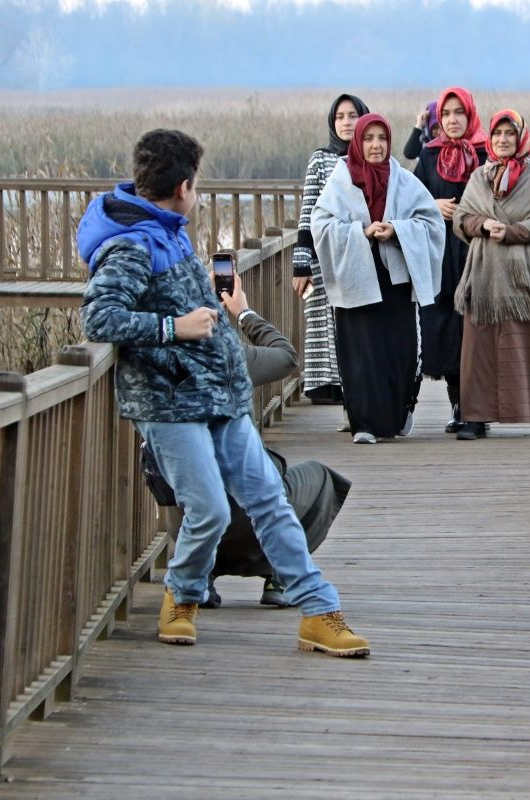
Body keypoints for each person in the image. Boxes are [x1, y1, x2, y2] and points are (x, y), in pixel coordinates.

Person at [79, 128, 369, 656]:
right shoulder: (132, 244)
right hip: (170, 403)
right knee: (210, 510)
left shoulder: (168, 230)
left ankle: (319, 611)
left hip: (220, 395)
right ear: (184, 186)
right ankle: (183, 595)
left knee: (270, 501)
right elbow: (99, 317)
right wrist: (175, 327)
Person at [141, 273, 353, 610]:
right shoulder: (230, 357)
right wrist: (242, 312)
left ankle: (200, 577)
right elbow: (287, 357)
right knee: (321, 478)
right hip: (250, 524)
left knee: (190, 487)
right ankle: (281, 577)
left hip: (189, 527)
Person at [311, 113, 444, 444]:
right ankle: (365, 424)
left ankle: (397, 415)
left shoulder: (404, 181)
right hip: (356, 278)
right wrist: (361, 232)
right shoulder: (340, 182)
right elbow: (321, 225)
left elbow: (431, 223)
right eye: (368, 138)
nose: (376, 145)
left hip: (394, 279)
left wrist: (397, 230)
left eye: (381, 138)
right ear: (358, 143)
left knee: (397, 351)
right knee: (361, 355)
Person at [452, 109, 530, 439]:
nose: (503, 140)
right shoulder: (479, 177)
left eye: (509, 133)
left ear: (521, 137)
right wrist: (483, 225)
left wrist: (513, 232)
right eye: (497, 134)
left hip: (525, 277)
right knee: (480, 350)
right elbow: (461, 218)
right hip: (484, 275)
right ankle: (476, 418)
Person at [413, 86, 488, 437]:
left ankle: (477, 409)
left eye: (459, 113)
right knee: (444, 330)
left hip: (477, 251)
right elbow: (409, 199)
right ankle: (458, 404)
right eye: (446, 114)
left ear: (470, 115)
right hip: (440, 253)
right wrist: (433, 204)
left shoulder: (486, 153)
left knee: (475, 329)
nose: (453, 120)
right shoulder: (429, 155)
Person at [292, 93, 370, 418]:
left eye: (353, 116)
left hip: (362, 251)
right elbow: (308, 211)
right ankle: (328, 386)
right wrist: (301, 263)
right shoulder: (321, 159)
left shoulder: (372, 156)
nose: (346, 122)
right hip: (326, 254)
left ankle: (359, 385)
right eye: (340, 117)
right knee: (324, 320)